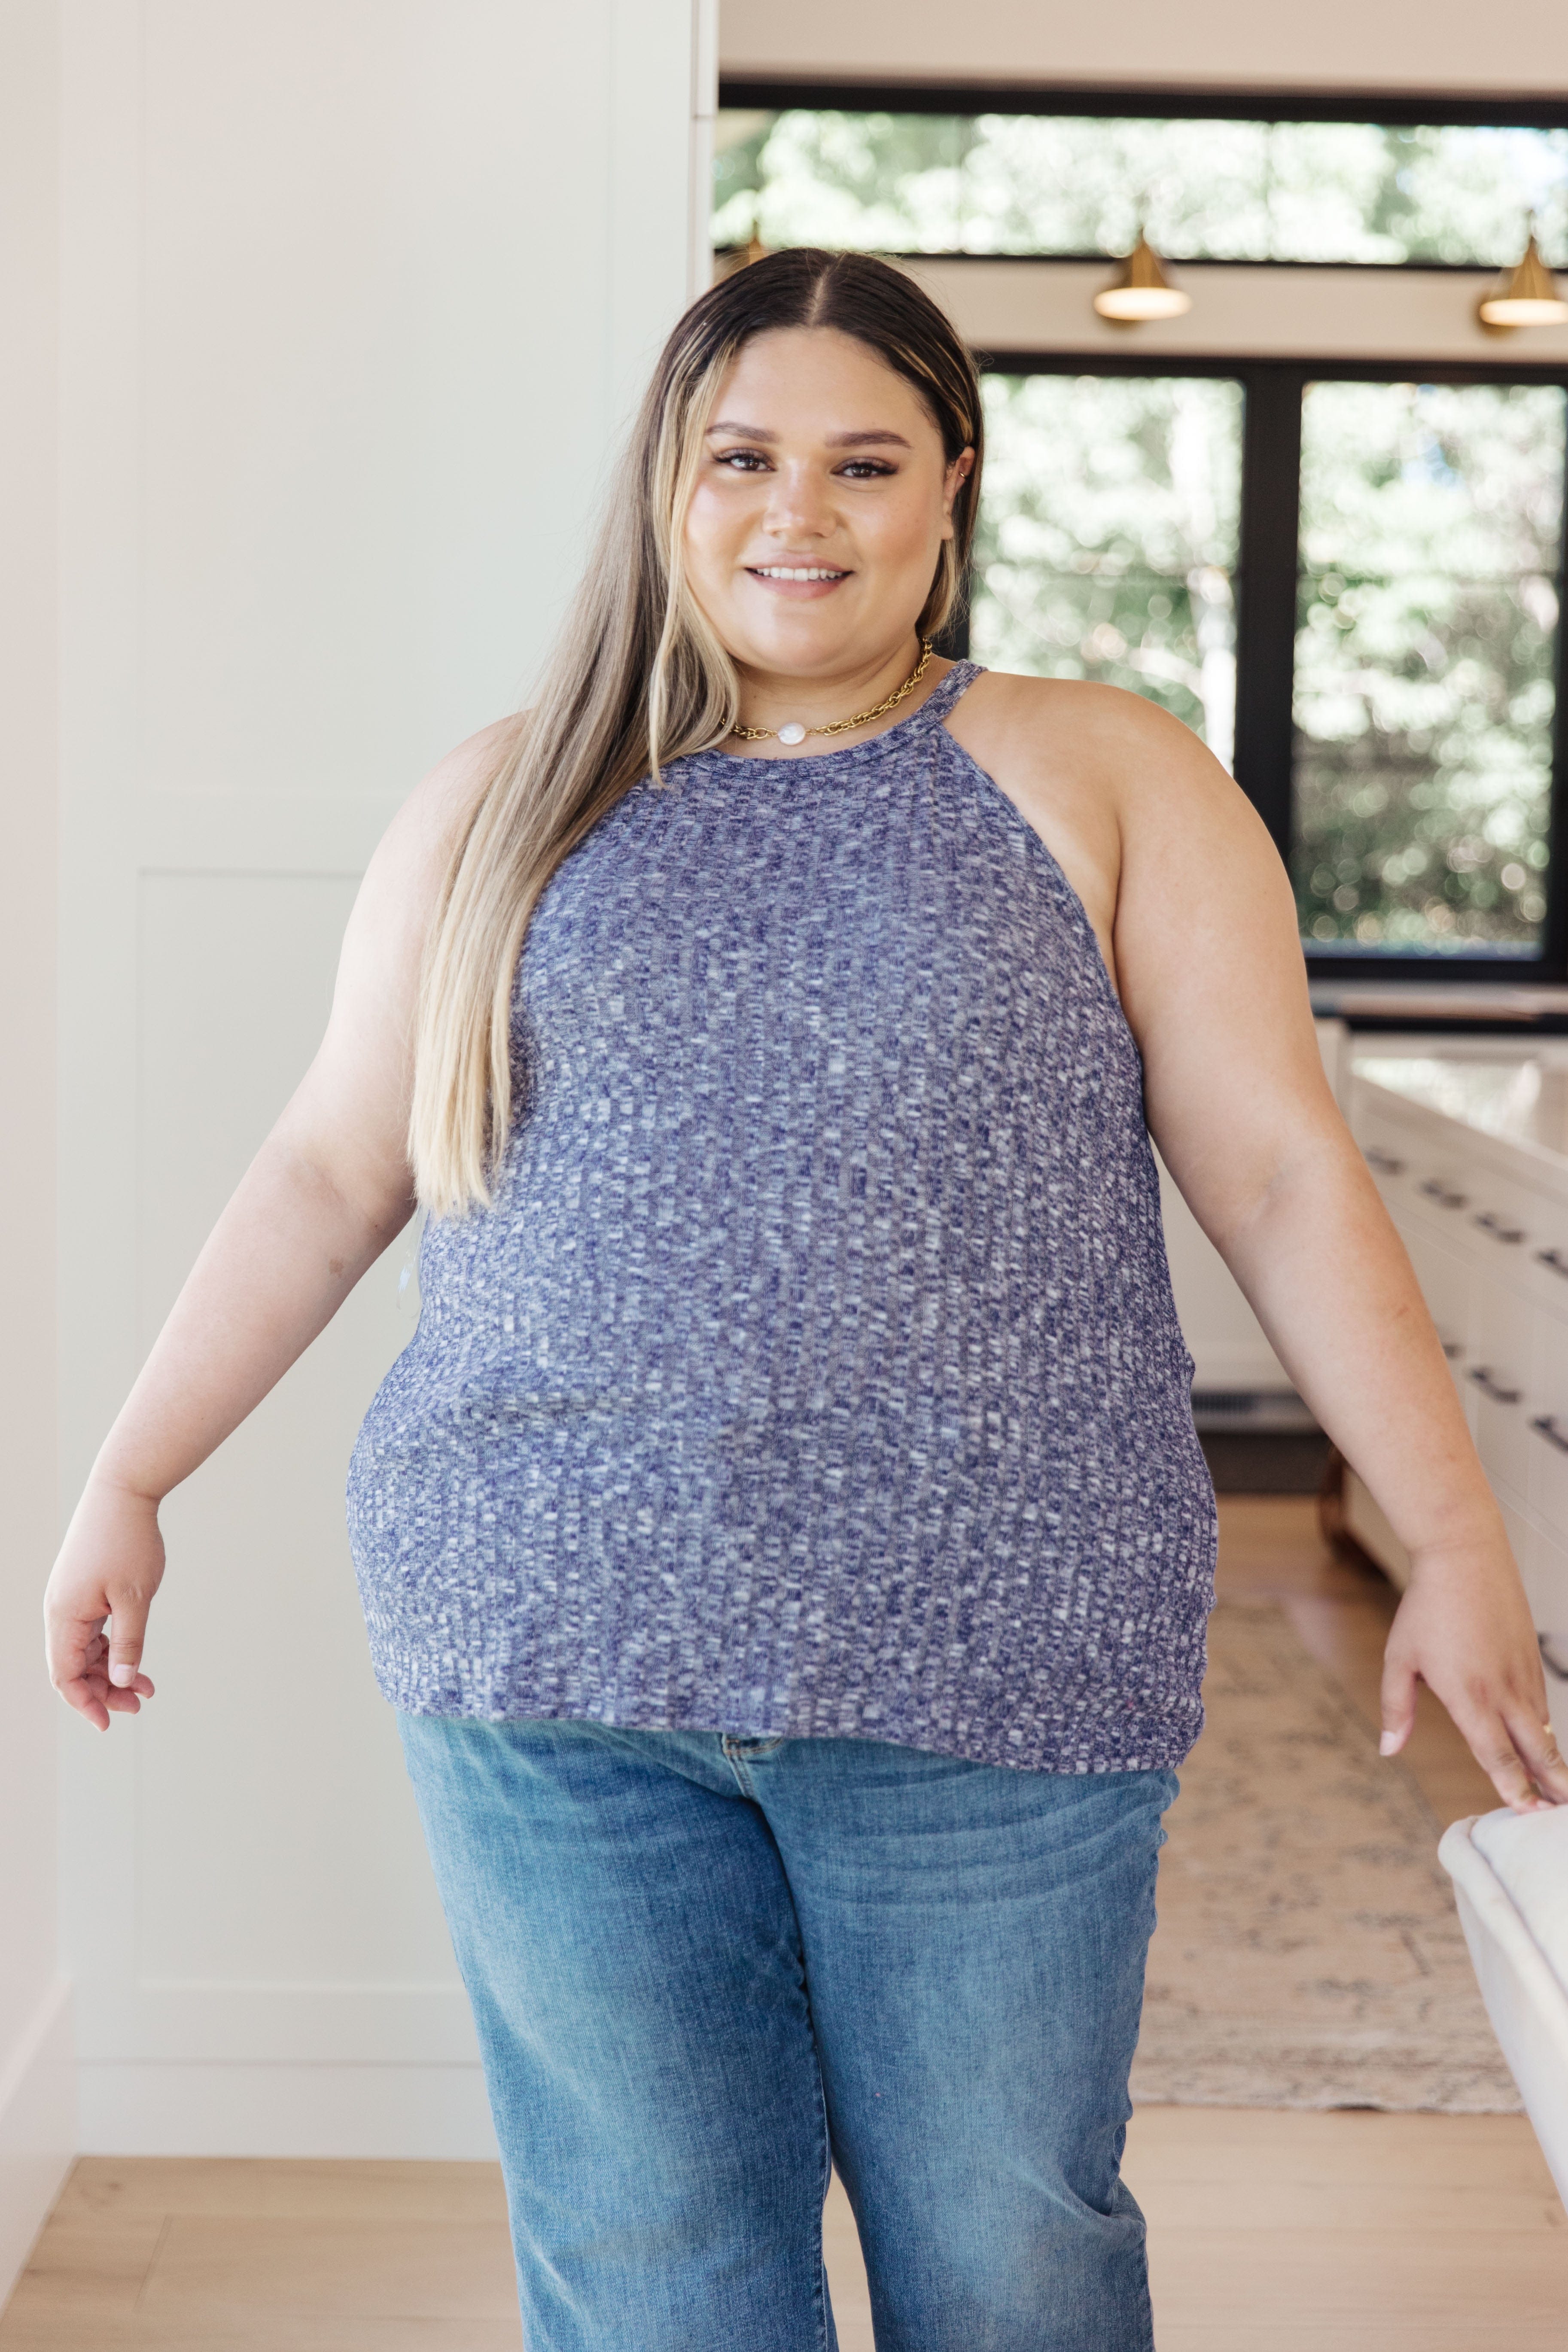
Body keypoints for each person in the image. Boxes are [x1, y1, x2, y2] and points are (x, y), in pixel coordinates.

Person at [44, 247, 1567, 2352]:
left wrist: (1458, 1539)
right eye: (744, 458)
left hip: (998, 1656)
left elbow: (1284, 1179)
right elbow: (330, 1168)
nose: (799, 514)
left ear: (954, 481)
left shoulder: (1099, 773)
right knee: (657, 2272)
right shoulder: (499, 805)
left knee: (1011, 2260)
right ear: (667, 484)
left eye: (864, 461)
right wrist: (129, 1473)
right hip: (552, 1645)